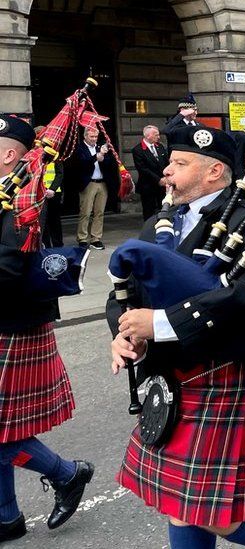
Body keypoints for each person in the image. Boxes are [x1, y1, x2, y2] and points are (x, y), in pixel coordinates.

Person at [107, 125, 245, 549]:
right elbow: (125, 290)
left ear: (214, 171)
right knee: (186, 505)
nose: (166, 172)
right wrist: (126, 333)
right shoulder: (160, 220)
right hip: (173, 376)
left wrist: (163, 324)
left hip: (225, 369)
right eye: (169, 162)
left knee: (198, 508)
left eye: (179, 164)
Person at [0, 115, 95, 542]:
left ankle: (67, 474)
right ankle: (6, 517)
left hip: (12, 323)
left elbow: (7, 265)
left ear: (8, 154)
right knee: (4, 431)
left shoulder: (21, 196)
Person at [72, 125, 119, 250]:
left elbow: (110, 164)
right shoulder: (79, 148)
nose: (94, 139)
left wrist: (104, 157)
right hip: (88, 183)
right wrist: (95, 157)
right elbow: (81, 164)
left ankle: (96, 238)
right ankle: (82, 238)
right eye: (91, 136)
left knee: (99, 212)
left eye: (96, 136)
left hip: (102, 183)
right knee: (85, 212)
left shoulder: (100, 147)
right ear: (85, 136)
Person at [35, 125, 65, 247]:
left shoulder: (54, 153)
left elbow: (60, 173)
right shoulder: (34, 154)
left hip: (53, 193)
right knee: (43, 221)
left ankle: (58, 245)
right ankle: (45, 245)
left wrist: (52, 189)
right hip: (39, 193)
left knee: (55, 221)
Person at [132, 125, 169, 220]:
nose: (159, 137)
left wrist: (166, 177)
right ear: (148, 135)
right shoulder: (138, 150)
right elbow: (142, 168)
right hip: (148, 185)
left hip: (163, 184)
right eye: (156, 135)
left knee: (164, 209)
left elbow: (166, 163)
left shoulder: (160, 146)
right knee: (149, 211)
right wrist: (158, 179)